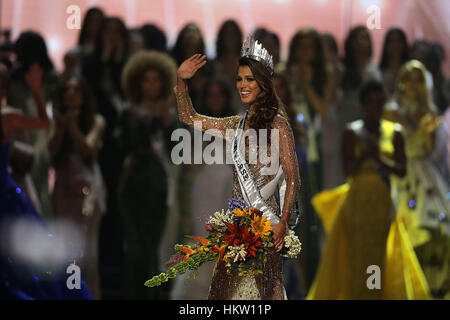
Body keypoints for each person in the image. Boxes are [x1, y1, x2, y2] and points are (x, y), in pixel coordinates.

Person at [173, 35, 300, 300]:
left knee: (265, 294)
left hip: (266, 224)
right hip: (235, 226)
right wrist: (182, 82)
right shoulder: (234, 125)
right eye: (239, 79)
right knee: (222, 295)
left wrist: (284, 222)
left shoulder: (279, 125)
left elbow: (293, 178)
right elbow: (189, 117)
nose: (243, 85)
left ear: (263, 84)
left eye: (250, 79)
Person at [307, 80, 430, 299]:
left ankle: (374, 293)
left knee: (377, 253)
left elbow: (402, 170)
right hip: (357, 202)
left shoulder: (395, 132)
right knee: (357, 253)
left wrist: (380, 159)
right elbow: (348, 170)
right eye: (371, 102)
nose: (375, 107)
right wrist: (365, 154)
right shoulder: (351, 132)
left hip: (381, 201)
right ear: (363, 105)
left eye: (379, 102)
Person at [0, 63, 92, 300]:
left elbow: (45, 123)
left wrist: (37, 92)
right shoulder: (8, 117)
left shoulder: (7, 117)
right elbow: (44, 122)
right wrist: (36, 91)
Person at [386, 60, 450, 298]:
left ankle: (435, 288)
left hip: (429, 177)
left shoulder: (430, 114)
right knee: (409, 233)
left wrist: (430, 134)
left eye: (418, 78)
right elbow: (392, 151)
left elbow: (435, 153)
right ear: (401, 82)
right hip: (403, 177)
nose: (413, 84)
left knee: (438, 231)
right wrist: (419, 133)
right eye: (408, 78)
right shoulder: (392, 111)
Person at [118, 50, 178, 299]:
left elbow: (177, 150)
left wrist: (166, 121)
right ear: (137, 83)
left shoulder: (173, 115)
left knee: (157, 249)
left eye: (156, 79)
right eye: (146, 79)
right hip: (133, 187)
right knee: (135, 250)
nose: (152, 85)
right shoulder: (128, 114)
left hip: (163, 189)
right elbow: (127, 147)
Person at [49, 76, 106, 299]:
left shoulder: (96, 121)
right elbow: (52, 154)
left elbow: (88, 150)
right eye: (67, 90)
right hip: (63, 191)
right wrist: (62, 125)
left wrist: (72, 125)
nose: (72, 94)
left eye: (76, 89)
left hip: (88, 193)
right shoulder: (55, 121)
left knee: (87, 255)